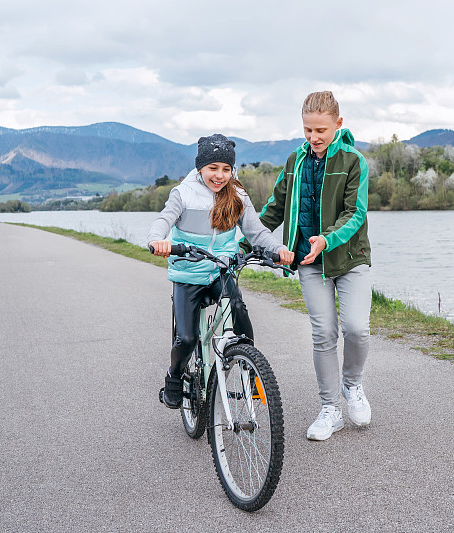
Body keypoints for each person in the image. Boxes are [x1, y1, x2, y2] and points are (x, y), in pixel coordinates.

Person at [254, 91, 372, 440]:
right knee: (323, 334)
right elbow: (274, 208)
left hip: (350, 259)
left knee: (356, 329)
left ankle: (353, 386)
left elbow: (356, 213)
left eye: (321, 130)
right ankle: (330, 409)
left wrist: (327, 238)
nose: (314, 137)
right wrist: (246, 242)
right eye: (307, 130)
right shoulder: (295, 161)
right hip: (310, 262)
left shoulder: (354, 161)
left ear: (338, 123)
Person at [147, 133, 294, 409]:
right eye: (213, 168)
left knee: (238, 309)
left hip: (220, 268)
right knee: (187, 338)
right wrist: (157, 240)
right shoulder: (183, 193)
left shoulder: (237, 195)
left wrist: (279, 250)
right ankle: (175, 376)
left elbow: (257, 231)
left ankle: (252, 370)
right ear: (200, 167)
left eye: (226, 169)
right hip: (188, 271)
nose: (220, 175)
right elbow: (163, 220)